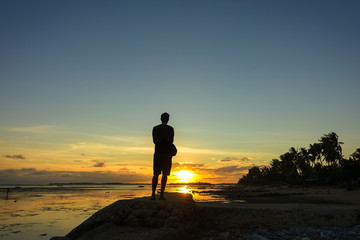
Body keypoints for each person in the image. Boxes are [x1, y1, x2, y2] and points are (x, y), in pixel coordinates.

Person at [151, 112, 174, 200]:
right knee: (165, 174)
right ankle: (161, 195)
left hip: (158, 153)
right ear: (168, 119)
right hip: (167, 154)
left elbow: (154, 141)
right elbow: (171, 141)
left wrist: (161, 140)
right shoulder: (170, 129)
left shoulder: (155, 128)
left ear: (161, 119)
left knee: (156, 174)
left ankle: (153, 195)